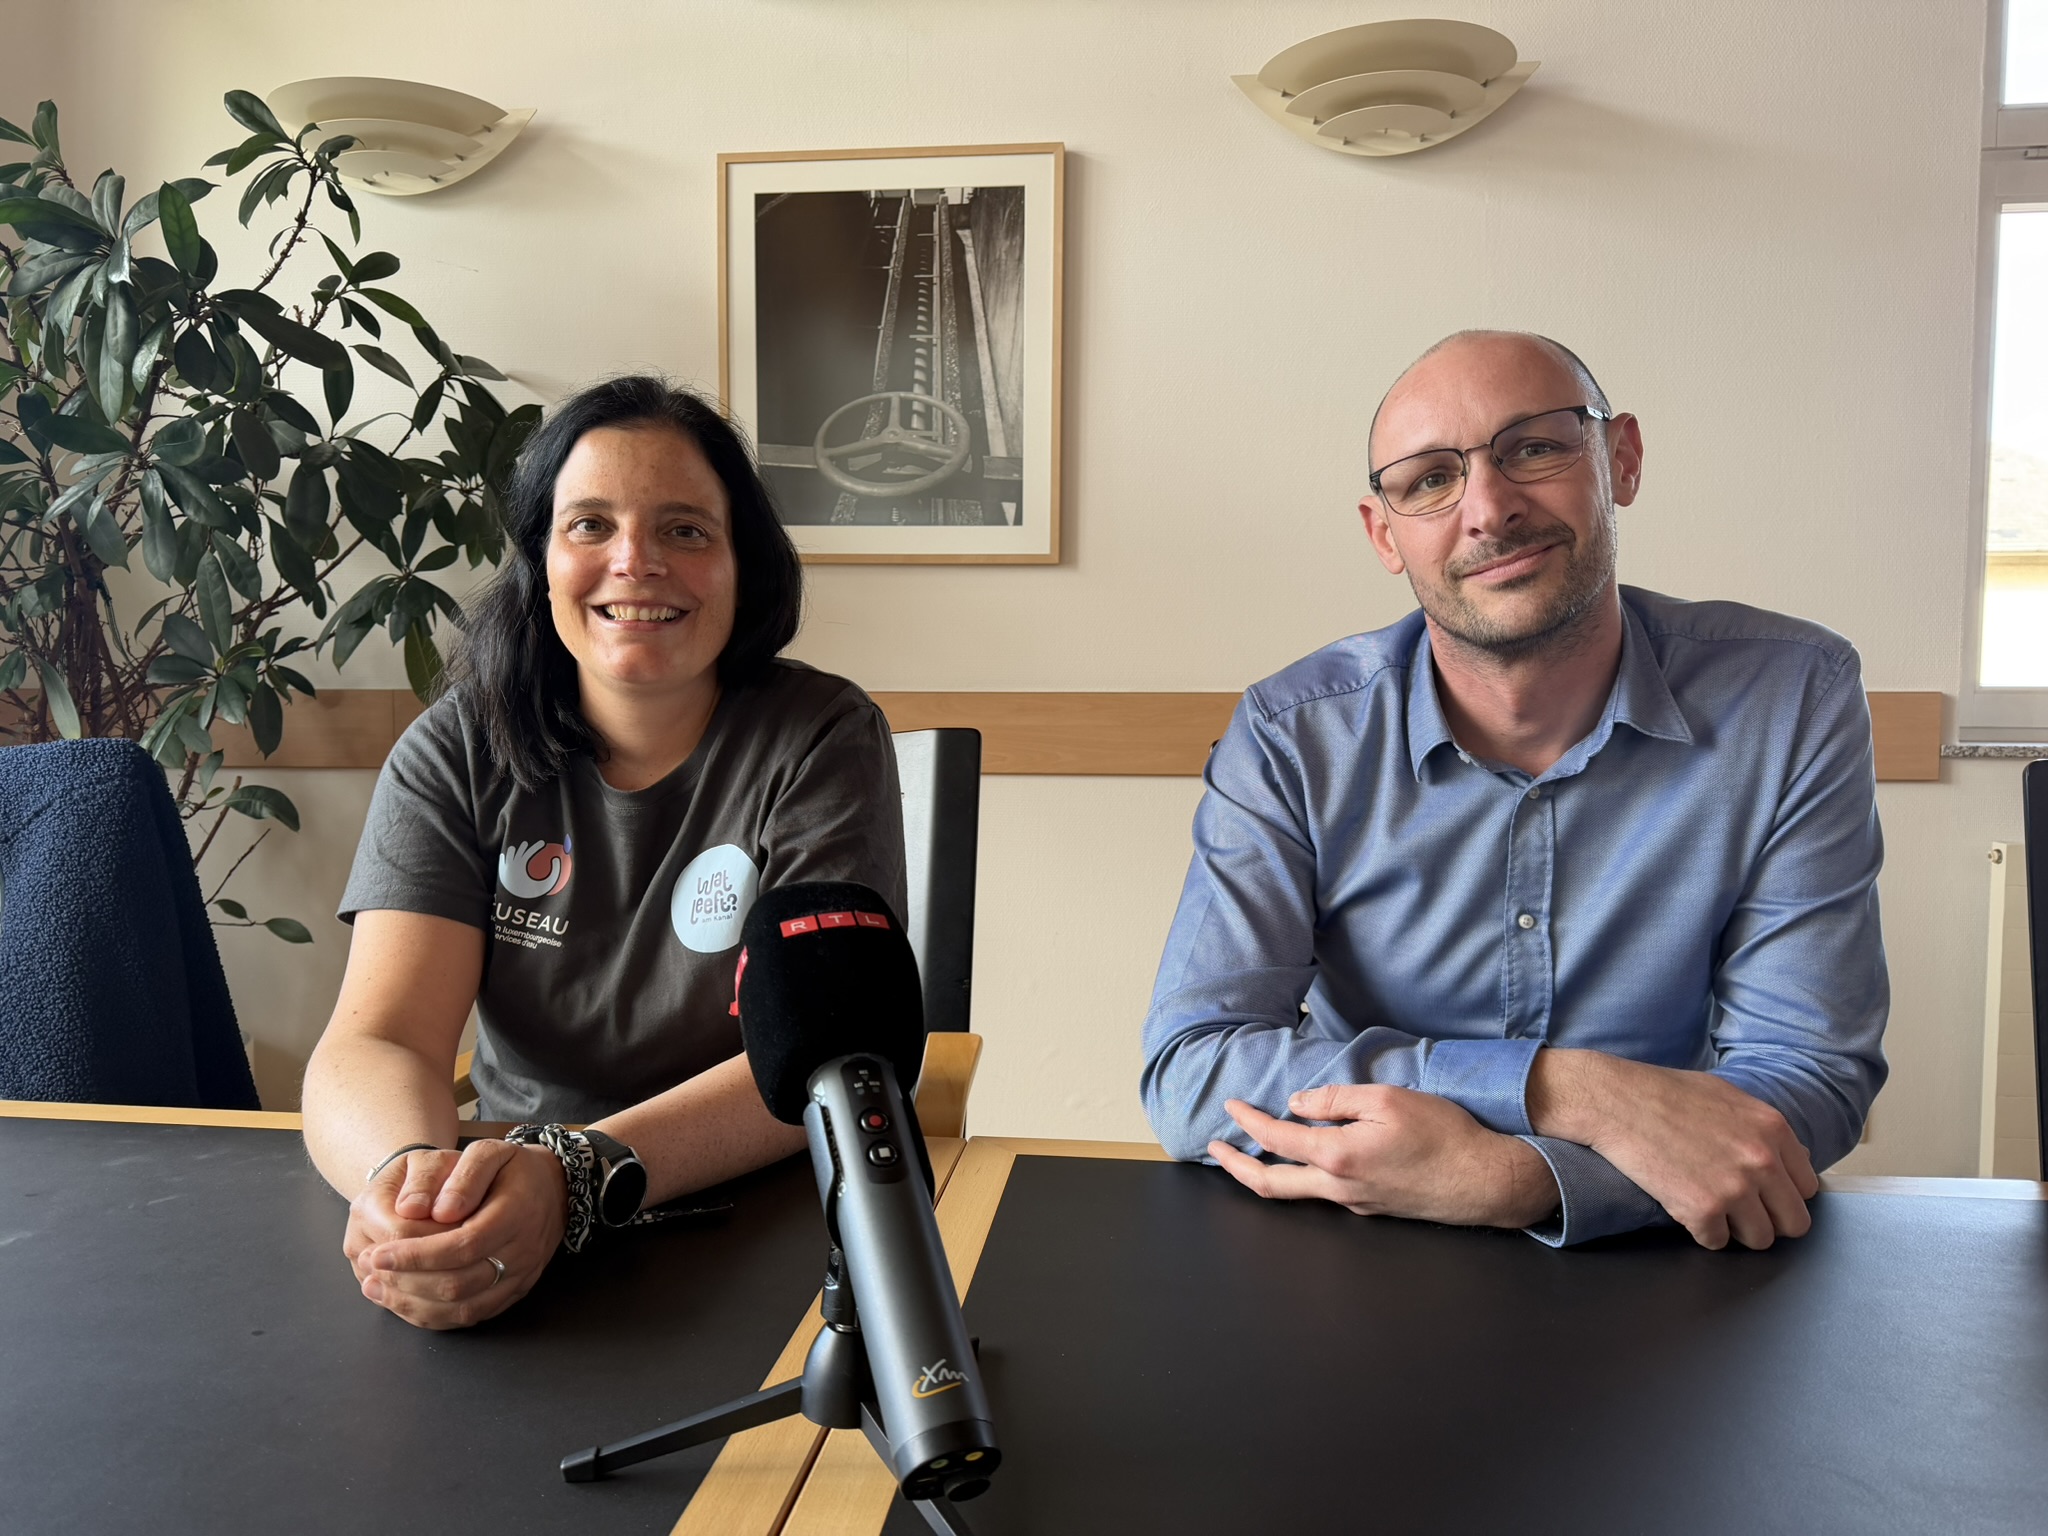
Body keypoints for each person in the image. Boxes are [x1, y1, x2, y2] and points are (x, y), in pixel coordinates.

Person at [1140, 330, 1887, 1250]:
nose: (1489, 509)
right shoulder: (1293, 735)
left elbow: (1810, 1075)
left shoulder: (1793, 696)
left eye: (1533, 448)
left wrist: (1521, 1182)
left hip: (1669, 1261)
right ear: (1384, 534)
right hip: (1352, 1245)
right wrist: (1567, 1090)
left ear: (1621, 459)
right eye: (1429, 481)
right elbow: (1193, 1070)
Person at [302, 376, 907, 1328]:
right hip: (499, 1193)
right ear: (540, 560)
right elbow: (380, 1039)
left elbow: (821, 1052)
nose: (635, 562)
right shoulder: (455, 749)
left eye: (685, 530)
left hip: (757, 1205)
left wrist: (576, 1173)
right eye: (590, 525)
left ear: (742, 563)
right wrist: (414, 1187)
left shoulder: (821, 735)